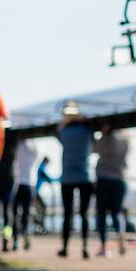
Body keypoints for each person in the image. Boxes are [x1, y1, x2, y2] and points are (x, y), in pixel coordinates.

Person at [56, 108, 94, 259]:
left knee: (67, 214)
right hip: (85, 176)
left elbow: (58, 132)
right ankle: (84, 247)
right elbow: (93, 139)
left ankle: (65, 247)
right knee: (84, 214)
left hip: (67, 177)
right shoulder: (87, 131)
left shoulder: (64, 132)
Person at [93, 128, 129, 257]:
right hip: (120, 178)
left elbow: (94, 149)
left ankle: (104, 247)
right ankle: (121, 240)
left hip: (104, 178)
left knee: (102, 214)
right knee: (116, 213)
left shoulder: (105, 137)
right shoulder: (126, 137)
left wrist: (102, 133)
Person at [11, 134, 42, 251]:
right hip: (25, 184)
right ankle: (22, 236)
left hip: (22, 183)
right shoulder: (33, 147)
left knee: (17, 214)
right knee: (24, 214)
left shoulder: (20, 144)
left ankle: (18, 238)